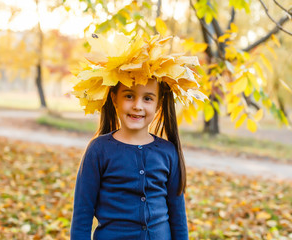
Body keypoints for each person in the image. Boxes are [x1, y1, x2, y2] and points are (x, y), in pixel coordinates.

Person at [70, 31, 207, 240]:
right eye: (129, 95)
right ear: (114, 98)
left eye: (148, 98)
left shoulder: (167, 152)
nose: (137, 106)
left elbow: (178, 217)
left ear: (159, 104)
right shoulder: (99, 150)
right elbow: (82, 216)